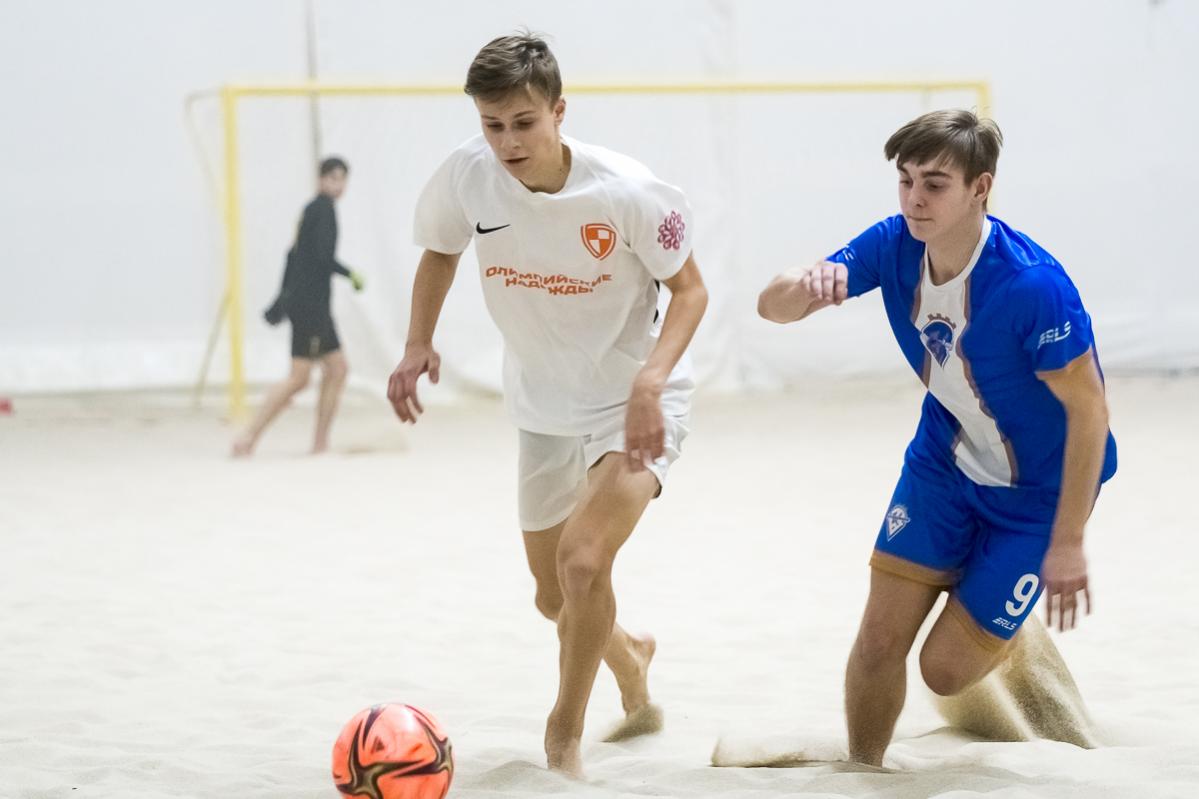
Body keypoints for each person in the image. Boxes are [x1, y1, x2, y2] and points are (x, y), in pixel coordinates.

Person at [386, 33, 708, 777]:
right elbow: (440, 251)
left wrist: (652, 380)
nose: (507, 142)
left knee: (583, 562)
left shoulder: (629, 192)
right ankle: (629, 655)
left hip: (634, 402)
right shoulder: (468, 176)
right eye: (492, 124)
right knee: (552, 597)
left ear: (559, 112)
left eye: (524, 123)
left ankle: (562, 738)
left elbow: (691, 291)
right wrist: (416, 342)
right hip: (541, 406)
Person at [757, 109, 1117, 766]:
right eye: (905, 180)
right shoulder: (892, 243)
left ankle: (1002, 620)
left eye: (934, 184)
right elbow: (770, 307)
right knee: (877, 640)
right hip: (944, 464)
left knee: (944, 671)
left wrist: (1067, 543)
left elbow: (1090, 411)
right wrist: (805, 288)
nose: (914, 199)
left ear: (980, 188)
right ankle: (863, 770)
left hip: (1039, 494)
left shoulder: (1032, 286)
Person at [233, 156, 364, 457]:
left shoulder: (312, 210)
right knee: (300, 378)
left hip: (312, 306)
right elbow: (321, 257)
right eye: (332, 178)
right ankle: (248, 437)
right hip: (311, 307)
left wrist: (283, 299)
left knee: (337, 369)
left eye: (342, 179)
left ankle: (319, 443)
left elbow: (293, 256)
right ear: (320, 179)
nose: (338, 184)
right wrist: (349, 274)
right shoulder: (322, 210)